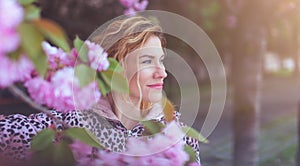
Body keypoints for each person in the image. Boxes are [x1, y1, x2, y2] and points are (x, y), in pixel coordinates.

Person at [0, 16, 200, 164]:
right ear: (115, 66)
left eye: (161, 61)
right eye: (147, 61)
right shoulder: (72, 123)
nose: (162, 72)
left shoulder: (175, 134)